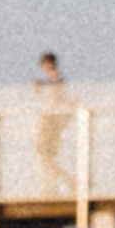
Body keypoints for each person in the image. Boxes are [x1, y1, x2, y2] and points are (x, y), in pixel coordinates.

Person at [33, 50, 69, 191]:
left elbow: (57, 94)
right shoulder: (53, 80)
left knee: (45, 154)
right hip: (50, 118)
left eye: (44, 64)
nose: (43, 68)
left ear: (48, 64)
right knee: (46, 155)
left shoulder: (56, 80)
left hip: (51, 120)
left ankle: (65, 181)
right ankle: (53, 185)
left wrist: (41, 87)